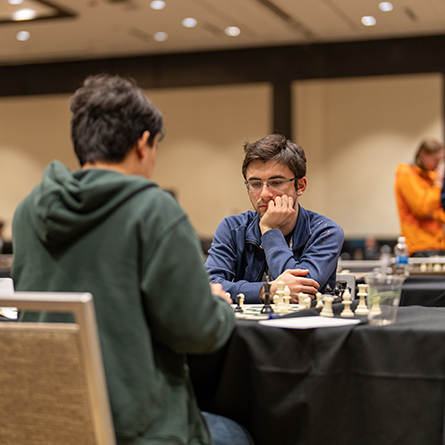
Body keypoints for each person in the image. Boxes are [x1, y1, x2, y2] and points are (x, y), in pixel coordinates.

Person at [11, 74, 253, 445]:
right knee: (237, 434)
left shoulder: (28, 211)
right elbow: (197, 331)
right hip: (138, 429)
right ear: (143, 144)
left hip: (49, 418)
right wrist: (217, 306)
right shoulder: (154, 209)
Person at [205, 134, 344, 304]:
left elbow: (300, 292)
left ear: (300, 186)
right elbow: (209, 286)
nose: (264, 194)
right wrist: (267, 290)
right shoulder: (232, 228)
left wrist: (270, 230)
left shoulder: (325, 231)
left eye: (276, 182)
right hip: (245, 329)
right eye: (255, 184)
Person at [394, 138, 445, 257]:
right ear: (423, 154)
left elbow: (439, 210)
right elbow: (423, 209)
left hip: (439, 244)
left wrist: (434, 215)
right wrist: (438, 184)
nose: (438, 164)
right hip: (419, 247)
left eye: (441, 160)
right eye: (436, 159)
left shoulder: (432, 176)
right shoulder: (406, 174)